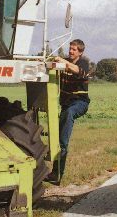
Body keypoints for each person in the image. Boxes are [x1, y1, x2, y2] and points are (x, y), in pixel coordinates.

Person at [45, 39, 90, 184]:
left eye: (74, 49)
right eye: (70, 49)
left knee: (64, 138)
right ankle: (55, 175)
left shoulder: (83, 63)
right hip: (65, 106)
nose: (71, 51)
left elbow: (77, 71)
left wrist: (63, 62)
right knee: (59, 142)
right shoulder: (63, 62)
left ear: (80, 52)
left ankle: (57, 174)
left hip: (79, 103)